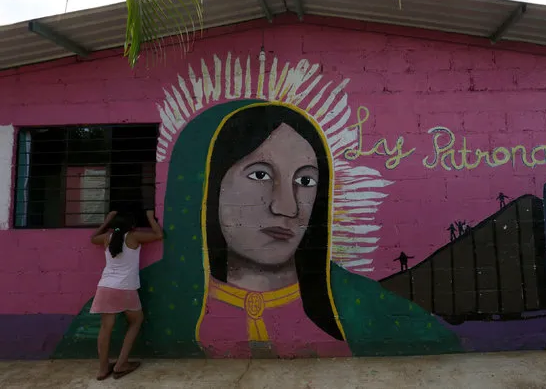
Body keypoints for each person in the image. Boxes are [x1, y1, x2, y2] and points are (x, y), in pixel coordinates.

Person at [54, 100, 462, 360]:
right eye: (261, 174)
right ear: (204, 184)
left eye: (305, 181)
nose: (286, 207)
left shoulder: (366, 306)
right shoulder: (156, 291)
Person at [89, 210, 163, 380]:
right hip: (125, 288)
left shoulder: (107, 237)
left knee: (105, 328)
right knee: (136, 320)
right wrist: (151, 218)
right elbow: (158, 235)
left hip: (105, 287)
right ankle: (121, 363)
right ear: (132, 225)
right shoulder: (134, 236)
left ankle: (102, 370)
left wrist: (106, 223)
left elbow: (93, 238)